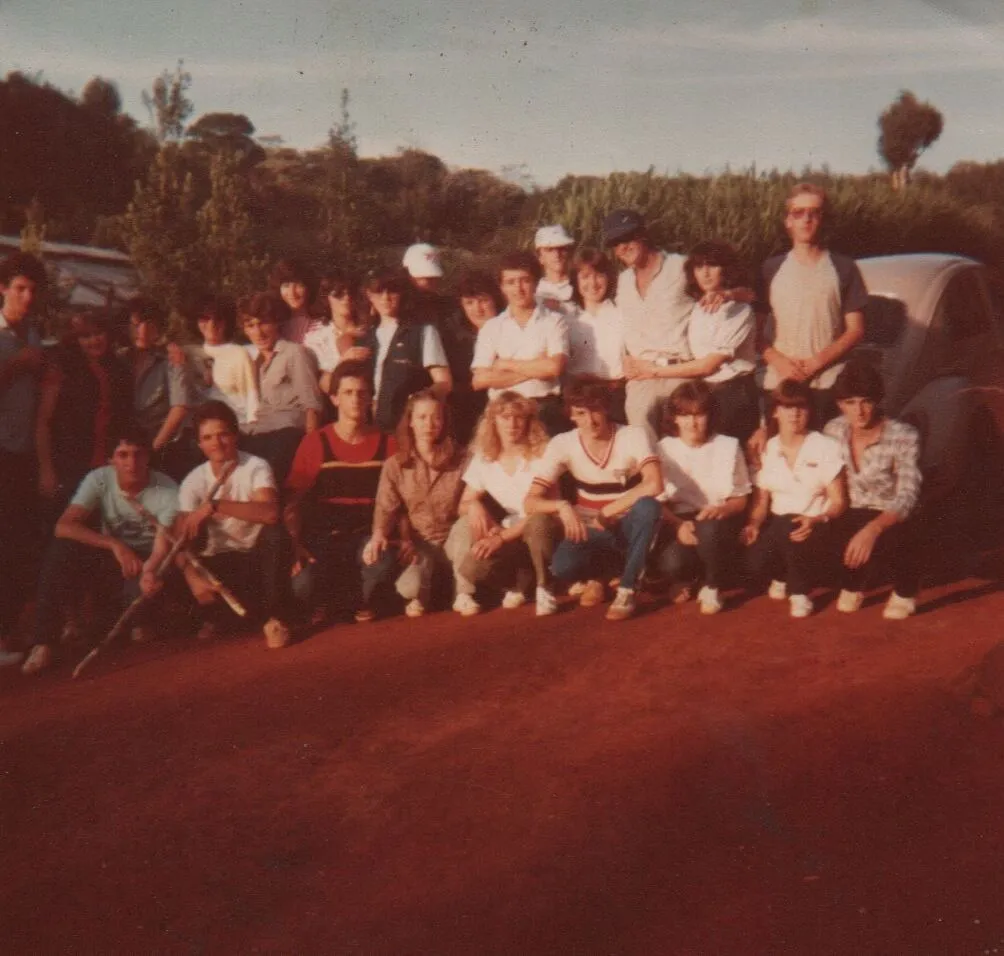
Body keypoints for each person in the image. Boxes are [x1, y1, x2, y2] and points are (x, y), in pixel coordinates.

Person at [22, 425, 179, 675]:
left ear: (149, 456)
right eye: (123, 454)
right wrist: (115, 545)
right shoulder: (100, 478)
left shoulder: (168, 490)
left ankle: (140, 621)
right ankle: (43, 642)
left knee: (131, 622)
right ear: (111, 459)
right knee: (62, 550)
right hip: (114, 558)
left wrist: (150, 571)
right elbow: (63, 526)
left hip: (148, 563)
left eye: (139, 453)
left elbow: (162, 548)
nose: (131, 462)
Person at [603, 208, 751, 439]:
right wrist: (625, 358)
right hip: (642, 376)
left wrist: (728, 294)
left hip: (682, 372)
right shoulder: (622, 281)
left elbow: (749, 294)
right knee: (641, 440)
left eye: (627, 238)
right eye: (616, 242)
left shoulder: (682, 267)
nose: (623, 247)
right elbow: (622, 324)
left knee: (688, 440)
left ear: (643, 234)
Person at [524, 381, 663, 621]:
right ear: (571, 416)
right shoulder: (562, 443)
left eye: (595, 410)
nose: (590, 421)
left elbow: (654, 483)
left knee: (648, 507)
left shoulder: (632, 434)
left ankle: (627, 589)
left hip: (626, 525)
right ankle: (603, 576)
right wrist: (561, 505)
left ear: (607, 408)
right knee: (562, 567)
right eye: (580, 413)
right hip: (592, 531)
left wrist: (608, 511)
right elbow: (530, 501)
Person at [284, 361, 396, 624]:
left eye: (362, 392)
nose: (356, 399)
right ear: (334, 398)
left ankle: (351, 601)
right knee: (303, 586)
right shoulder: (315, 443)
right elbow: (293, 503)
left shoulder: (388, 444)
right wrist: (295, 544)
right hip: (325, 539)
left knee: (382, 570)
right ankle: (340, 600)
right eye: (347, 393)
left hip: (369, 539)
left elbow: (397, 500)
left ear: (370, 397)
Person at [177, 401, 292, 648]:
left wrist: (215, 506)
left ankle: (276, 619)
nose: (216, 443)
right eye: (207, 438)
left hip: (259, 559)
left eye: (223, 434)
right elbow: (181, 541)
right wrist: (192, 577)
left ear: (235, 435)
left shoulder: (256, 466)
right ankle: (219, 617)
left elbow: (270, 513)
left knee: (276, 535)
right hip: (222, 562)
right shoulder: (193, 481)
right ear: (199, 444)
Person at [759, 182, 868, 429]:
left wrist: (816, 363)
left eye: (814, 213)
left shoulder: (844, 267)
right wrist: (780, 363)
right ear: (788, 221)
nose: (806, 220)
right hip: (781, 384)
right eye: (798, 213)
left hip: (828, 383)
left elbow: (856, 330)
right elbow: (755, 332)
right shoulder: (770, 269)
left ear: (823, 219)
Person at [824, 361, 923, 620]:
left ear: (877, 400)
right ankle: (854, 581)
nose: (859, 411)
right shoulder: (833, 431)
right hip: (851, 510)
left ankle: (906, 589)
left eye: (866, 401)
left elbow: (907, 495)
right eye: (850, 402)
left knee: (900, 533)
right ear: (839, 404)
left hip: (889, 515)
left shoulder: (904, 435)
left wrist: (873, 529)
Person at [741, 379, 847, 618]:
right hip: (779, 526)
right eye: (787, 407)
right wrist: (754, 524)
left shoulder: (825, 446)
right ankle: (782, 574)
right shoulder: (766, 449)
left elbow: (839, 501)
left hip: (818, 526)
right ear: (776, 412)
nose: (795, 414)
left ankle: (799, 593)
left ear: (810, 411)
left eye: (801, 407)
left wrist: (818, 519)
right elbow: (761, 501)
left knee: (793, 524)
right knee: (753, 564)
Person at [444, 391, 549, 615]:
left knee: (539, 524)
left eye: (518, 417)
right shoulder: (484, 457)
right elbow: (463, 504)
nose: (512, 424)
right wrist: (473, 505)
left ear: (528, 421)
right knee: (471, 563)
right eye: (504, 417)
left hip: (540, 529)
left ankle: (543, 585)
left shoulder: (543, 453)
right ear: (493, 421)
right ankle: (511, 583)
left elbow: (546, 509)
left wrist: (500, 538)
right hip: (510, 532)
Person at [362, 390, 465, 618]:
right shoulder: (395, 465)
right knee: (409, 587)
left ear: (444, 421)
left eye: (436, 417)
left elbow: (472, 500)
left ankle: (463, 593)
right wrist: (379, 534)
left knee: (466, 529)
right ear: (410, 422)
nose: (429, 424)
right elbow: (386, 507)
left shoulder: (463, 459)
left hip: (455, 540)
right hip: (421, 543)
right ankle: (424, 592)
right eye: (421, 417)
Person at [652, 381, 751, 614]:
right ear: (674, 418)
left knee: (709, 529)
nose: (693, 423)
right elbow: (657, 501)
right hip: (682, 520)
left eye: (699, 414)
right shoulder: (663, 448)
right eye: (685, 415)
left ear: (710, 415)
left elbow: (741, 498)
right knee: (671, 564)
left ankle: (712, 585)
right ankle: (693, 577)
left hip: (719, 519)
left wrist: (723, 510)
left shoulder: (729, 445)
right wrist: (677, 526)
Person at [660, 241, 760, 444]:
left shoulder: (738, 309)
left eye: (712, 265)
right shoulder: (697, 308)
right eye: (699, 267)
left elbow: (708, 366)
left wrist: (653, 371)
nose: (705, 273)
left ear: (725, 269)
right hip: (706, 392)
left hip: (734, 392)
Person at [36, 309, 133, 513]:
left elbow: (123, 420)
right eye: (85, 336)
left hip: (106, 465)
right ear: (75, 340)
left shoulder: (118, 370)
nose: (94, 340)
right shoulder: (62, 369)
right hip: (69, 466)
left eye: (98, 333)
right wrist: (46, 470)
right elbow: (44, 421)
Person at [0, 252, 48, 666]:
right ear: (3, 289)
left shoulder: (34, 334)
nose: (28, 296)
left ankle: (9, 633)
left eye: (33, 289)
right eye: (20, 288)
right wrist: (15, 365)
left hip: (23, 453)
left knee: (17, 545)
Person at [471, 252, 569, 435]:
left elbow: (554, 368)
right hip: (502, 413)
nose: (518, 289)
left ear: (536, 283)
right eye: (511, 282)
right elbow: (480, 380)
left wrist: (504, 364)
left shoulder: (554, 321)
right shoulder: (491, 328)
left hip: (543, 410)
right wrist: (536, 368)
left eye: (525, 280)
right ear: (502, 287)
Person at [239, 292, 324, 485]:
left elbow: (313, 405)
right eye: (251, 325)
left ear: (277, 322)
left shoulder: (295, 353)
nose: (258, 332)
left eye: (264, 323)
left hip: (287, 435)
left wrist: (312, 450)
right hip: (259, 432)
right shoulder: (254, 361)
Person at [360, 267, 452, 434]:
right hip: (367, 430)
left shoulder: (423, 331)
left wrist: (422, 398)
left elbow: (444, 382)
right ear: (369, 295)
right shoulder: (364, 337)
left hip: (405, 429)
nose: (386, 298)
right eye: (379, 292)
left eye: (392, 292)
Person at [125, 298, 196, 481]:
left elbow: (179, 408)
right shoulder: (118, 359)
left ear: (158, 329)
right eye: (136, 325)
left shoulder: (170, 360)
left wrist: (153, 448)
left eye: (149, 325)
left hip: (162, 444)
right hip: (126, 445)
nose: (142, 331)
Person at [440, 270, 503, 443]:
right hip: (466, 414)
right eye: (469, 303)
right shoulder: (453, 338)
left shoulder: (511, 329)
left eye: (483, 300)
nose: (477, 309)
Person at [182, 295, 260, 429]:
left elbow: (252, 397)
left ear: (227, 322)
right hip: (197, 432)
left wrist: (253, 429)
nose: (212, 324)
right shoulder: (187, 354)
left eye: (218, 319)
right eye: (205, 318)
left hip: (236, 427)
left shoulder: (239, 354)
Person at [565, 247, 626, 420]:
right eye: (585, 277)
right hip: (579, 397)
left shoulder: (622, 314)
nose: (593, 283)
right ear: (575, 281)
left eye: (599, 275)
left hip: (615, 395)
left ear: (609, 278)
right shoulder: (567, 320)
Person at [302, 270, 371, 395]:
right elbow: (323, 386)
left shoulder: (370, 330)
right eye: (339, 294)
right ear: (327, 297)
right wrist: (343, 361)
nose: (347, 298)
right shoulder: (316, 339)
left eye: (351, 293)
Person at [270, 257, 321, 345]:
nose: (292, 292)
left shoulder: (323, 326)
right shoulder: (275, 328)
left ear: (309, 288)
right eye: (286, 285)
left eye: (298, 285)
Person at [402, 242, 453, 329]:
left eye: (432, 277)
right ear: (406, 274)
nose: (426, 282)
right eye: (421, 277)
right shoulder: (394, 309)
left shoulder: (448, 309)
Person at [534, 224, 578, 318]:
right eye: (549, 250)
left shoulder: (584, 287)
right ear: (540, 257)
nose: (557, 254)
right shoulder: (535, 294)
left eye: (561, 249)